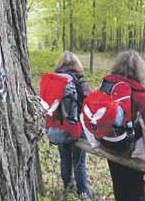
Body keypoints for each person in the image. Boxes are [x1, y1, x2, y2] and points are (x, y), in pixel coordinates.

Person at [98, 50, 145, 201]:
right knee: (136, 191)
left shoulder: (106, 87)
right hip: (132, 153)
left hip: (109, 146)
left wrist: (98, 142)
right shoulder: (140, 94)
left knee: (119, 186)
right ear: (139, 69)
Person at [53, 52, 91, 200]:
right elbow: (88, 105)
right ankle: (82, 192)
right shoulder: (79, 81)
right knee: (79, 162)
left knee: (64, 159)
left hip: (59, 128)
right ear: (76, 64)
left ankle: (67, 187)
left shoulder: (54, 80)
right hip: (77, 128)